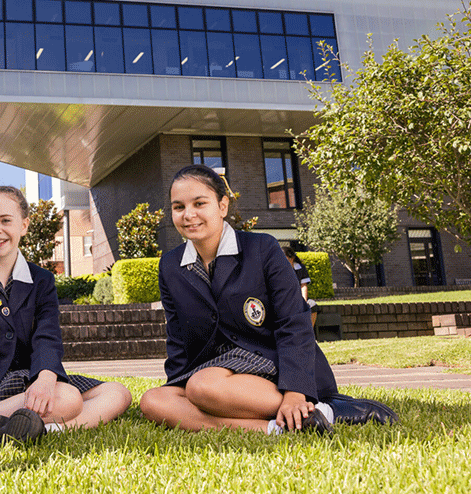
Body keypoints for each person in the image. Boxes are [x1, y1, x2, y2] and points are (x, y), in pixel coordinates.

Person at [140, 165, 396, 435]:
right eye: (178, 207)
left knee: (203, 386)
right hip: (215, 371)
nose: (188, 214)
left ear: (222, 205)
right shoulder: (170, 265)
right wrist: (176, 389)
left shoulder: (262, 248)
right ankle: (275, 428)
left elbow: (294, 322)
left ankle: (326, 408)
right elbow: (178, 338)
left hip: (270, 359)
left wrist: (296, 392)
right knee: (155, 401)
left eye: (200, 203)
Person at [0, 186, 132, 442]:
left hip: (29, 380)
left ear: (24, 225)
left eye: (6, 220)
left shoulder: (41, 280)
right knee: (68, 398)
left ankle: (34, 428)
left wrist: (45, 377)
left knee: (117, 393)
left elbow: (47, 335)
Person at [283, 246, 318, 328]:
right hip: (284, 299)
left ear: (292, 258)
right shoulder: (278, 269)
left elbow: (304, 286)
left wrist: (304, 302)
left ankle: (309, 333)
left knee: (312, 305)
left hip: (298, 298)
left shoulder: (301, 268)